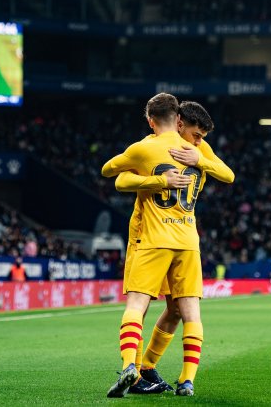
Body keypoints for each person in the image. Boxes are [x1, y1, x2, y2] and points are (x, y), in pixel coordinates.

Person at [101, 93, 224, 397]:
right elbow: (229, 175)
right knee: (188, 311)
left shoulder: (149, 148)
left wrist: (195, 161)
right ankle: (183, 379)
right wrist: (178, 173)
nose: (198, 141)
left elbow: (111, 174)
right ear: (179, 120)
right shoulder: (190, 149)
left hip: (153, 239)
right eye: (197, 135)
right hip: (185, 240)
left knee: (143, 306)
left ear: (150, 120)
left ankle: (136, 366)